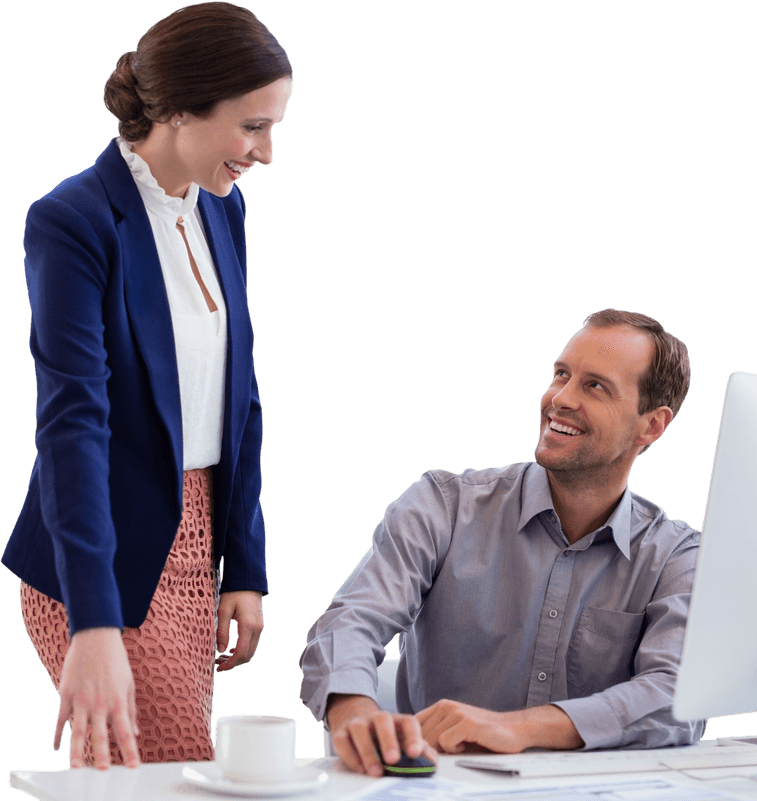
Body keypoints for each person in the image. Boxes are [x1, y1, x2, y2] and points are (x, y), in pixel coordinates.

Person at [1, 3, 293, 770]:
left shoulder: (220, 209)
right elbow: (72, 426)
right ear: (182, 108)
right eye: (252, 127)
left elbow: (240, 393)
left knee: (134, 776)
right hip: (99, 556)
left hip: (197, 549)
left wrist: (244, 564)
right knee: (170, 770)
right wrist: (93, 623)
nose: (266, 153)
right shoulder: (74, 221)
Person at [301, 309, 705, 776]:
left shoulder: (677, 556)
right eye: (561, 374)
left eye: (595, 386)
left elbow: (680, 697)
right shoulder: (444, 505)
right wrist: (352, 710)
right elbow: (350, 621)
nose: (560, 398)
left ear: (651, 425)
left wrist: (521, 728)